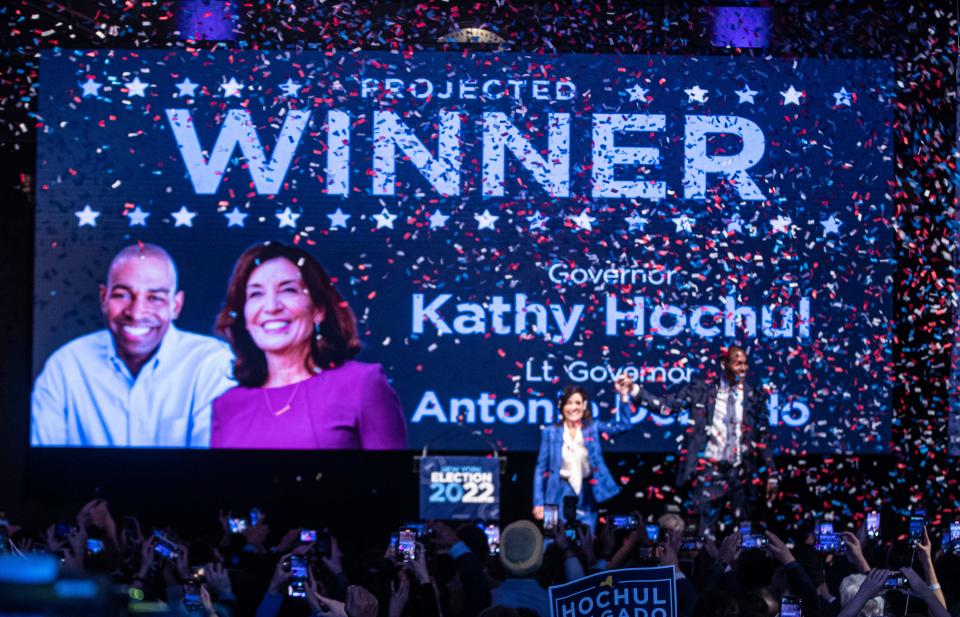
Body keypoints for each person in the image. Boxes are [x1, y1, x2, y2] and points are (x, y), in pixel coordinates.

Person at [31, 243, 234, 447]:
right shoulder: (66, 365)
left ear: (176, 305)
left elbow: (215, 469)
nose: (136, 313)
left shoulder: (212, 364)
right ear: (104, 298)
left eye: (155, 298)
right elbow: (41, 463)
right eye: (122, 295)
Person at [210, 242, 407, 450]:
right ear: (244, 317)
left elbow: (394, 479)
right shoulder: (227, 405)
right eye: (256, 294)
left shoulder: (362, 384)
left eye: (288, 290)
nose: (271, 307)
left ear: (318, 310)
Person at [614, 345, 778, 534]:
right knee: (704, 534)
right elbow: (666, 407)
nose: (743, 368)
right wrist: (634, 389)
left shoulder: (754, 396)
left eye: (745, 364)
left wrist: (772, 474)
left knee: (744, 535)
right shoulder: (701, 390)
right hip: (708, 472)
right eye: (738, 363)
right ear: (724, 364)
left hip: (741, 474)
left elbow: (763, 437)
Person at [532, 385, 633, 530]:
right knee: (551, 537)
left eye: (578, 403)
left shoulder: (592, 428)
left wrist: (624, 397)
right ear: (562, 406)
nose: (573, 407)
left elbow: (623, 426)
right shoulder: (551, 432)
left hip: (586, 493)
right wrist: (538, 502)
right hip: (555, 494)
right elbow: (541, 469)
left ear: (584, 406)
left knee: (586, 539)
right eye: (569, 403)